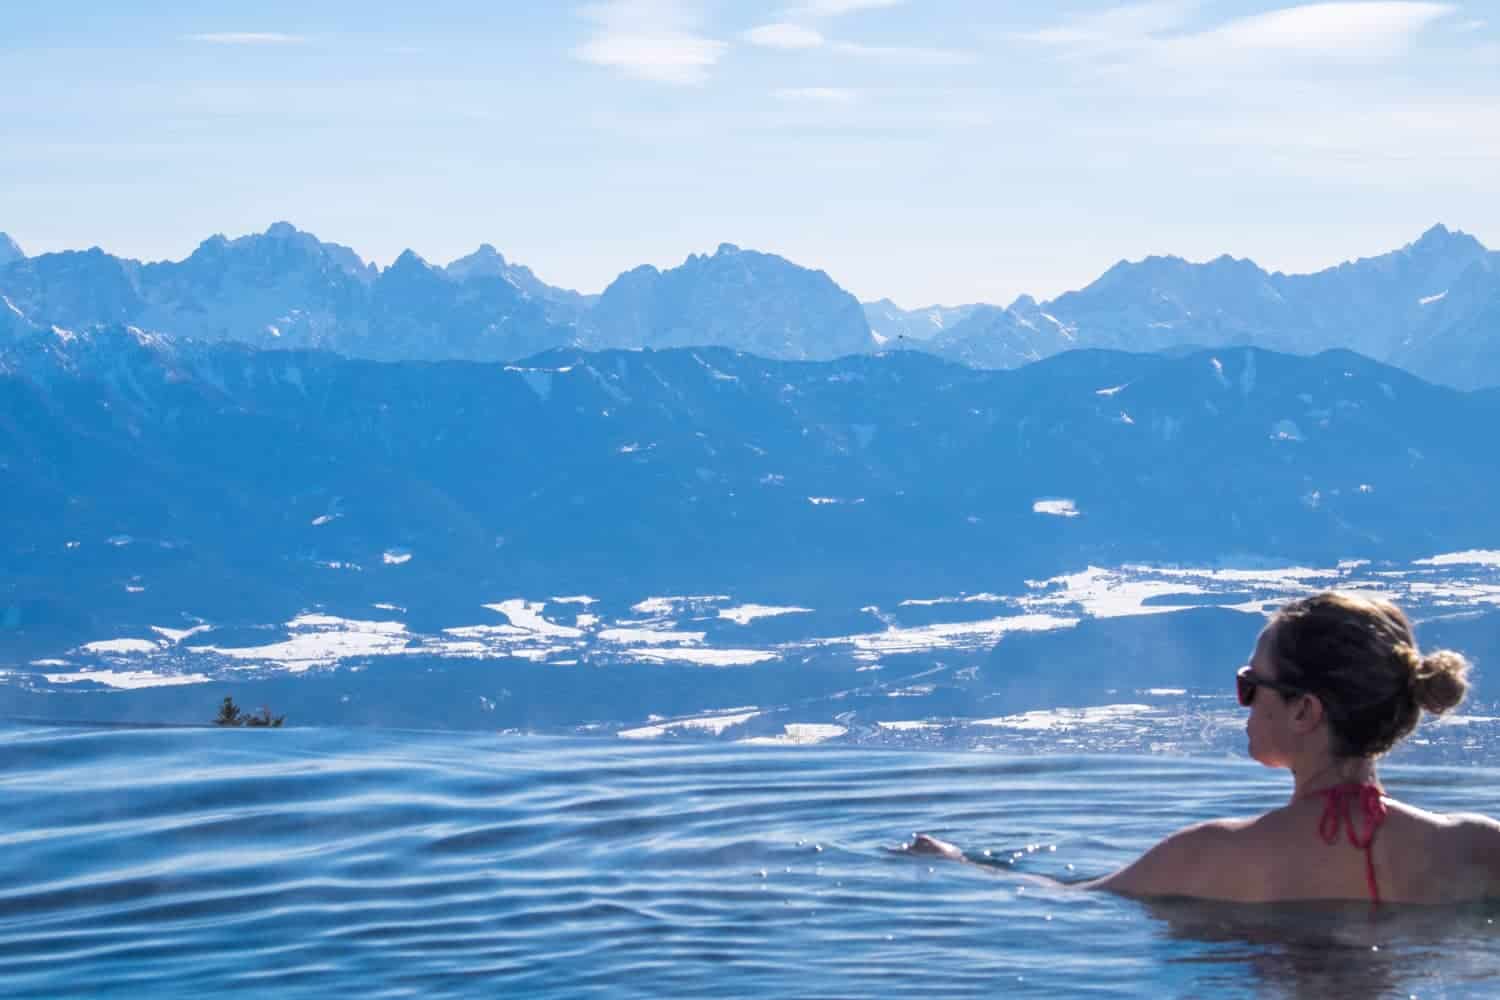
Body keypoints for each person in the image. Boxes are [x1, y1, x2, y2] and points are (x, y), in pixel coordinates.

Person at [908, 591, 1500, 903]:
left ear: (1304, 710)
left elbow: (1069, 903)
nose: (1241, 701)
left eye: (1251, 686)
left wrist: (958, 866)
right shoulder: (1478, 849)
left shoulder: (1207, 857)